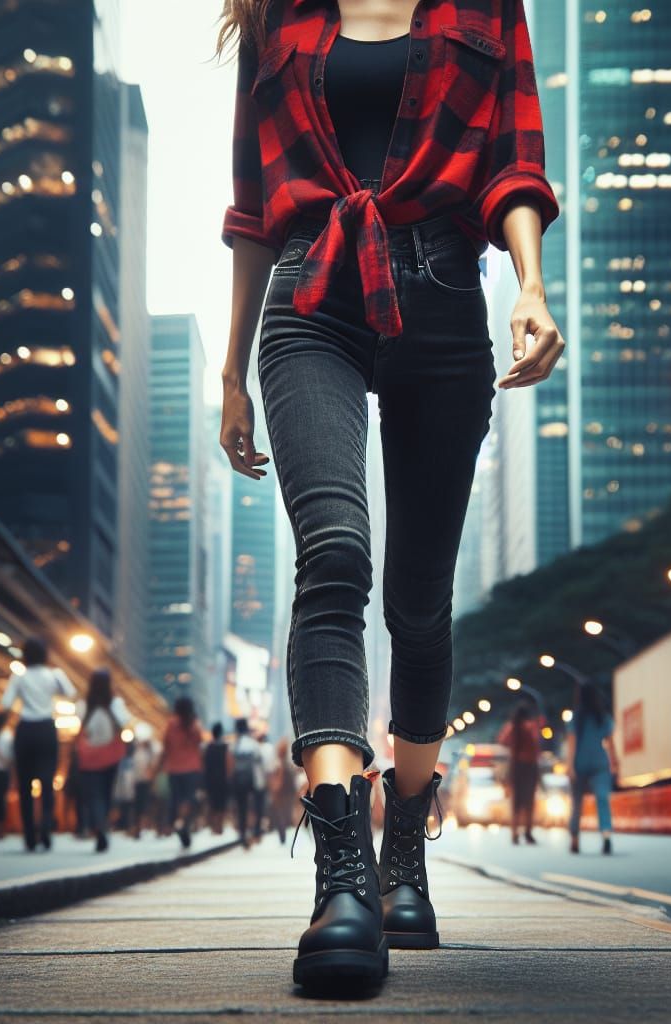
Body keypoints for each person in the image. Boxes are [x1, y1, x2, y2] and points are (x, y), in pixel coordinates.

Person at [216, 0, 563, 991]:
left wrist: (530, 285)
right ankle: (341, 877)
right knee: (332, 556)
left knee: (418, 601)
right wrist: (229, 373)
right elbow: (251, 200)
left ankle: (403, 848)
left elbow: (514, 157)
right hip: (307, 298)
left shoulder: (485, 10)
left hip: (445, 295)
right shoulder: (274, 17)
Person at [0, 636, 76, 851]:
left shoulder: (19, 677)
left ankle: (29, 836)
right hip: (47, 729)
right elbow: (71, 693)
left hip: (26, 730)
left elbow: (5, 704)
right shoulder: (54, 674)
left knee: (25, 785)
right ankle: (46, 828)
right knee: (47, 783)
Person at [75, 668, 130, 852]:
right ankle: (103, 826)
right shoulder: (116, 703)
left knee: (94, 795)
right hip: (111, 755)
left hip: (89, 756)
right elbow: (123, 724)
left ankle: (99, 827)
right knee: (106, 794)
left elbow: (83, 729)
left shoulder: (84, 705)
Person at [565, 682, 618, 855]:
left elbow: (571, 744)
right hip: (599, 763)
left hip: (579, 763)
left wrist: (570, 766)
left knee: (576, 803)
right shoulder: (603, 717)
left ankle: (574, 839)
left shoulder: (576, 718)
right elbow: (610, 744)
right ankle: (606, 835)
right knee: (602, 800)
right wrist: (615, 762)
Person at [155, 696, 204, 849]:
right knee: (190, 799)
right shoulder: (194, 724)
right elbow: (200, 745)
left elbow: (165, 746)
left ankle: (178, 822)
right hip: (192, 769)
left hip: (174, 768)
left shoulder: (171, 724)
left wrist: (157, 767)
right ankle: (184, 823)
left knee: (176, 798)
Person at [497, 701, 542, 845]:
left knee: (516, 801)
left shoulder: (511, 728)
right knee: (529, 801)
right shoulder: (531, 727)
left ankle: (515, 832)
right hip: (530, 766)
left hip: (516, 766)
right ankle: (528, 832)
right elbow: (536, 746)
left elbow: (502, 740)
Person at [231, 718, 262, 848]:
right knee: (253, 807)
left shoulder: (234, 745)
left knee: (241, 808)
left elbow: (231, 764)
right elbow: (259, 762)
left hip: (238, 781)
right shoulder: (253, 744)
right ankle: (253, 832)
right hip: (252, 780)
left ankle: (243, 833)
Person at [129, 722, 160, 838]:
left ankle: (145, 826)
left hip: (147, 781)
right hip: (137, 781)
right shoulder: (135, 748)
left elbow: (154, 766)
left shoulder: (152, 750)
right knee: (138, 805)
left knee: (146, 805)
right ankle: (138, 827)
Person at [268, 737, 299, 844]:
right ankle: (283, 836)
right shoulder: (287, 762)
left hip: (282, 792)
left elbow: (278, 779)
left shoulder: (279, 763)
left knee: (281, 814)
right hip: (288, 792)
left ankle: (283, 836)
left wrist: (274, 789)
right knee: (284, 814)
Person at [203, 721, 230, 834]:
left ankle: (214, 827)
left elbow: (205, 765)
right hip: (223, 780)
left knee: (213, 804)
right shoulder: (225, 747)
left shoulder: (208, 747)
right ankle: (219, 827)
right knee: (222, 804)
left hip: (211, 781)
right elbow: (229, 764)